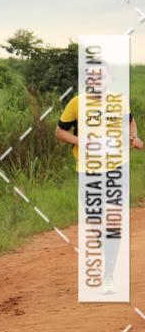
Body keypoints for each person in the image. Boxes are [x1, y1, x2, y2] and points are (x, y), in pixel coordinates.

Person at [55, 90, 142, 291]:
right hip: (88, 170)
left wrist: (133, 136)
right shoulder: (76, 103)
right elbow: (59, 132)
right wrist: (80, 141)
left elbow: (130, 121)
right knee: (96, 222)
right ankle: (108, 249)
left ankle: (109, 275)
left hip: (116, 168)